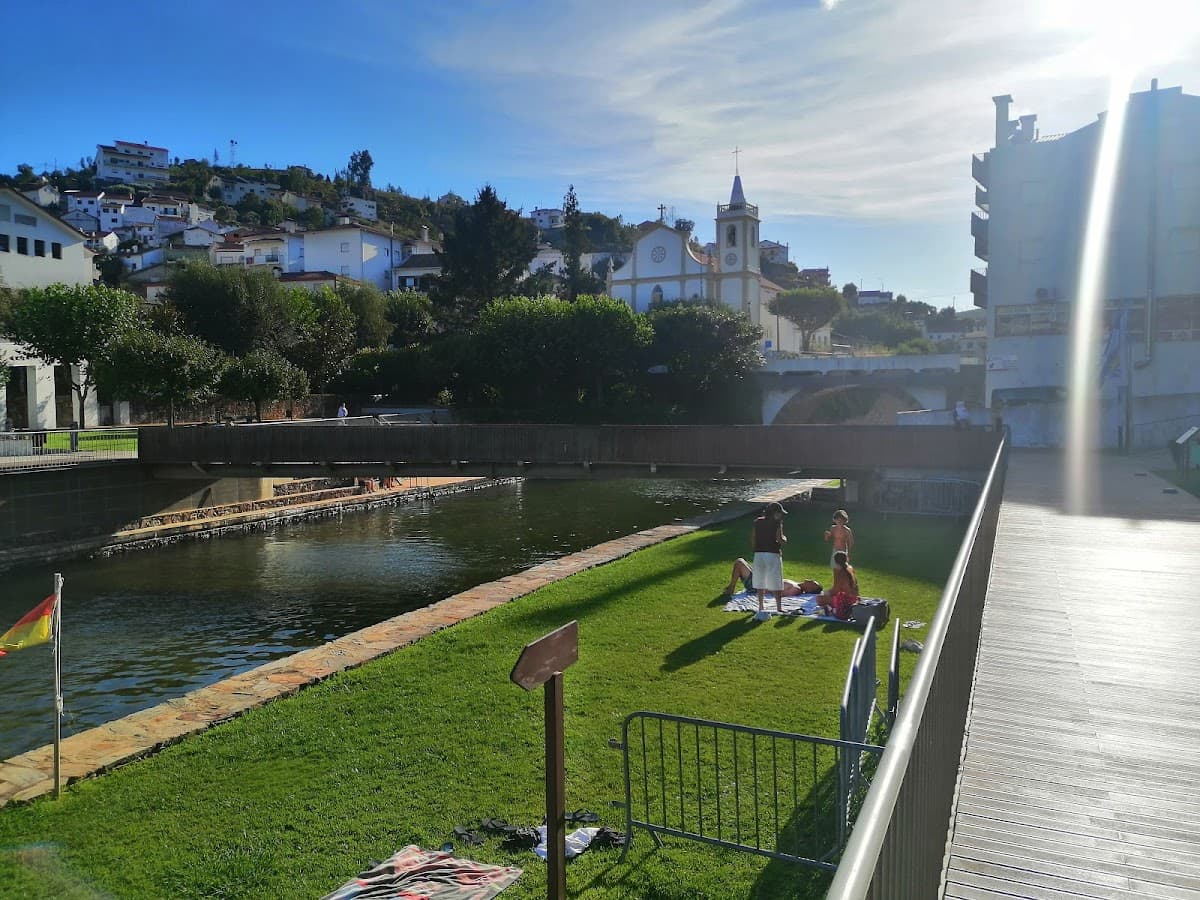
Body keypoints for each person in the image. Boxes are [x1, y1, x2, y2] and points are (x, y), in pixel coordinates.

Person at [751, 501, 787, 620]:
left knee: (760, 581)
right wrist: (785, 539)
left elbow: (753, 538)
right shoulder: (777, 523)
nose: (781, 516)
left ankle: (761, 606)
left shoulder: (757, 522)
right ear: (775, 513)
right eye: (780, 513)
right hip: (772, 554)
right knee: (776, 580)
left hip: (759, 554)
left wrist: (756, 549)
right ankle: (779, 607)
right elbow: (780, 539)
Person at [724, 558, 821, 597]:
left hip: (757, 585)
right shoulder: (796, 584)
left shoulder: (796, 589)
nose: (811, 580)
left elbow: (777, 594)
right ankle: (731, 587)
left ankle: (731, 589)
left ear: (809, 589)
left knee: (739, 562)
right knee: (744, 562)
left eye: (813, 583)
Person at [820, 551, 860, 619]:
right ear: (846, 559)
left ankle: (833, 609)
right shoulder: (850, 568)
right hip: (855, 599)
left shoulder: (838, 571)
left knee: (819, 599)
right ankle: (833, 608)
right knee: (827, 595)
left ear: (835, 561)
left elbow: (836, 590)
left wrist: (825, 593)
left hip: (847, 601)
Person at [823, 509, 854, 573]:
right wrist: (827, 535)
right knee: (835, 568)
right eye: (838, 520)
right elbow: (827, 539)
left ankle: (843, 582)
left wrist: (848, 554)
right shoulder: (833, 528)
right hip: (835, 550)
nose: (839, 521)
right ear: (835, 520)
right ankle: (836, 582)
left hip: (843, 551)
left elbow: (850, 542)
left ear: (844, 520)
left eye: (841, 520)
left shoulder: (847, 530)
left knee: (842, 569)